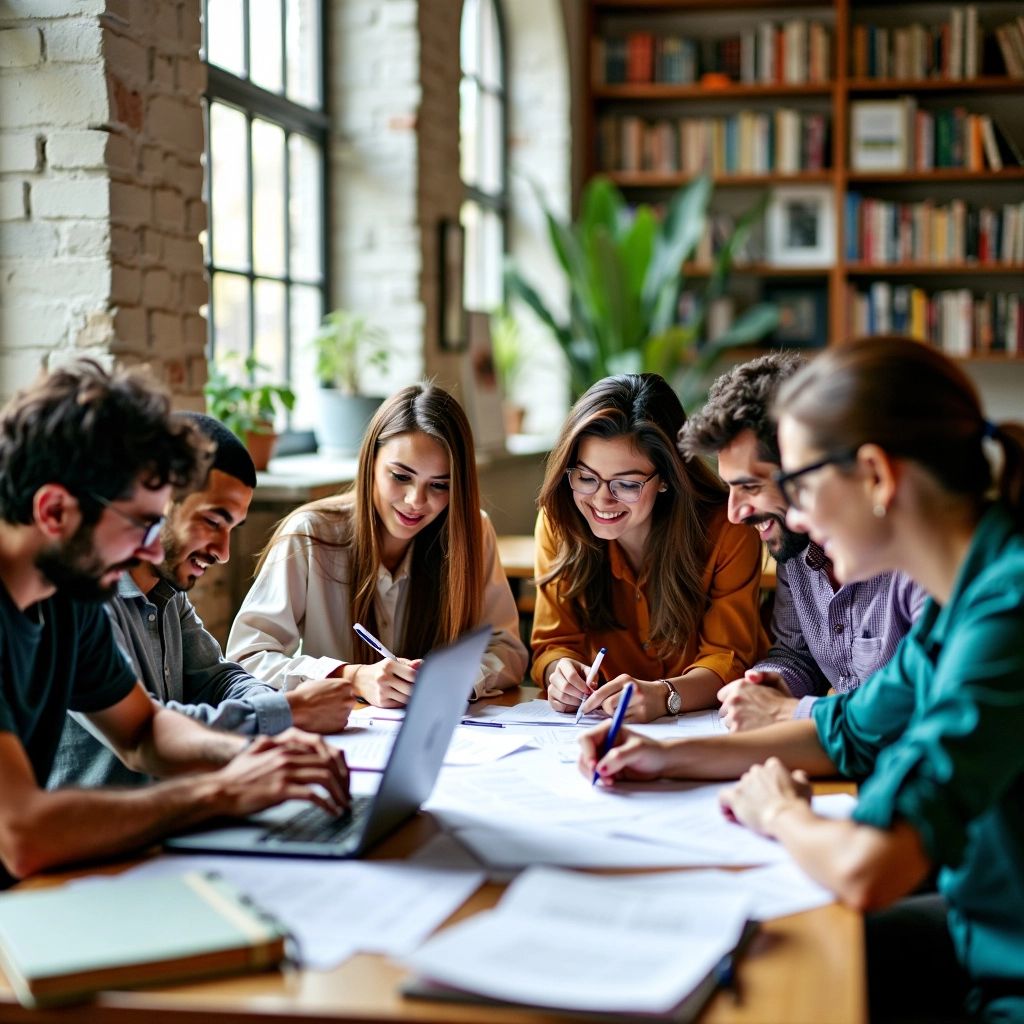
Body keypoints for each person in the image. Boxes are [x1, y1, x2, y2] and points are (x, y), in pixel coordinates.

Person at [581, 338, 1024, 1022]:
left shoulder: (1005, 614)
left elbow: (868, 867)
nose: (798, 517)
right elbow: (842, 731)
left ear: (875, 477)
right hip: (981, 933)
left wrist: (780, 813)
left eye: (804, 487)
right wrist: (662, 755)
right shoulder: (959, 602)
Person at [0, 360, 348, 889]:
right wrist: (223, 790)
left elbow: (143, 730)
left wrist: (258, 753)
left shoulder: (68, 595)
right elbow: (20, 836)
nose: (148, 548)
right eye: (140, 523)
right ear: (54, 512)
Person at [49, 413, 355, 790]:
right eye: (213, 521)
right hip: (109, 833)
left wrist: (277, 711)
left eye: (232, 528)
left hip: (175, 817)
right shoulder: (81, 597)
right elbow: (149, 729)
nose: (224, 553)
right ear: (160, 502)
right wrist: (288, 712)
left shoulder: (167, 592)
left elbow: (218, 679)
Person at [226, 383, 527, 706]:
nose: (416, 501)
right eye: (400, 477)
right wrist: (350, 676)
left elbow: (507, 649)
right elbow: (247, 658)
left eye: (439, 485)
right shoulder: (310, 536)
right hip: (338, 737)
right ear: (370, 462)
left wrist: (453, 679)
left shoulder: (471, 532)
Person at [679, 353, 924, 731]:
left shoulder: (925, 563)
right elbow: (796, 654)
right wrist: (767, 685)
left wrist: (785, 713)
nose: (733, 514)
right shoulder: (793, 548)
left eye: (751, 487)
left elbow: (916, 710)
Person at [533, 373, 765, 724]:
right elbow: (553, 643)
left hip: (710, 726)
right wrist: (560, 673)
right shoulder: (559, 521)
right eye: (585, 477)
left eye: (626, 484)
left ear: (667, 478)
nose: (600, 500)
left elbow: (727, 659)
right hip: (597, 729)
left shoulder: (728, 529)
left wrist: (664, 695)